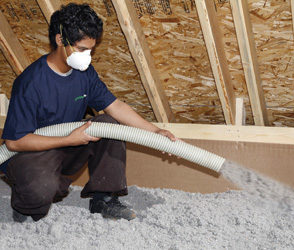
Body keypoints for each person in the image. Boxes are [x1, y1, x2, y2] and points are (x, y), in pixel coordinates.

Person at [1, 3, 176, 222]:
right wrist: (67, 139)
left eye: (91, 49)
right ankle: (24, 199)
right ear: (60, 40)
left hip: (71, 143)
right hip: (33, 154)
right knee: (40, 192)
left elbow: (116, 107)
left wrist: (156, 131)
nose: (88, 56)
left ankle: (103, 199)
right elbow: (14, 143)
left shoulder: (84, 73)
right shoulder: (31, 83)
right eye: (82, 49)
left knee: (108, 124)